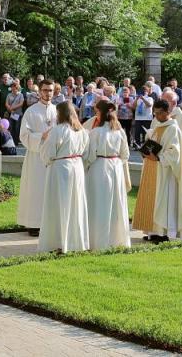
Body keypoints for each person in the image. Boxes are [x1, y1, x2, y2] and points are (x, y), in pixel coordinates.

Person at [131, 98, 182, 243]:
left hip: (165, 172)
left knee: (163, 202)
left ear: (167, 112)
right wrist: (145, 151)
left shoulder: (173, 128)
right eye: (155, 113)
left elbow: (174, 152)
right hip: (153, 169)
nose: (157, 116)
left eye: (159, 113)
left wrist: (159, 158)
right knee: (153, 201)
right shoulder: (157, 126)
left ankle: (164, 232)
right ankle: (153, 231)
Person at [38, 101, 90, 253]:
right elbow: (86, 153)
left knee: (59, 204)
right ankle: (75, 241)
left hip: (61, 168)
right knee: (75, 204)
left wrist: (47, 160)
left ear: (60, 114)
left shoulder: (58, 130)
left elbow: (48, 152)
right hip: (77, 167)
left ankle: (59, 241)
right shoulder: (82, 131)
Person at [84, 101, 132, 250]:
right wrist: (115, 162)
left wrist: (85, 166)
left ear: (101, 113)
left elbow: (90, 155)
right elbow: (125, 155)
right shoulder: (120, 131)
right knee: (116, 204)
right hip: (116, 167)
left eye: (97, 112)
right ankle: (117, 240)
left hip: (100, 168)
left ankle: (98, 241)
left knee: (99, 203)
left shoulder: (95, 132)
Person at [17, 80, 57, 236]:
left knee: (51, 191)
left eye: (51, 90)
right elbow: (23, 135)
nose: (48, 93)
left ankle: (50, 223)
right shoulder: (31, 112)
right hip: (36, 157)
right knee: (36, 190)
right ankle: (33, 224)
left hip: (53, 157)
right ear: (39, 92)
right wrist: (41, 136)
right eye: (45, 90)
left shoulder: (57, 111)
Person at [132, 83, 154, 150]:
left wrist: (143, 99)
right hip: (138, 118)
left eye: (145, 91)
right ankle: (137, 145)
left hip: (147, 118)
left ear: (147, 92)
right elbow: (134, 107)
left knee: (146, 133)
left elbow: (149, 105)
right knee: (137, 132)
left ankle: (146, 147)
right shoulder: (138, 99)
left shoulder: (150, 98)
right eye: (142, 91)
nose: (144, 92)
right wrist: (136, 99)